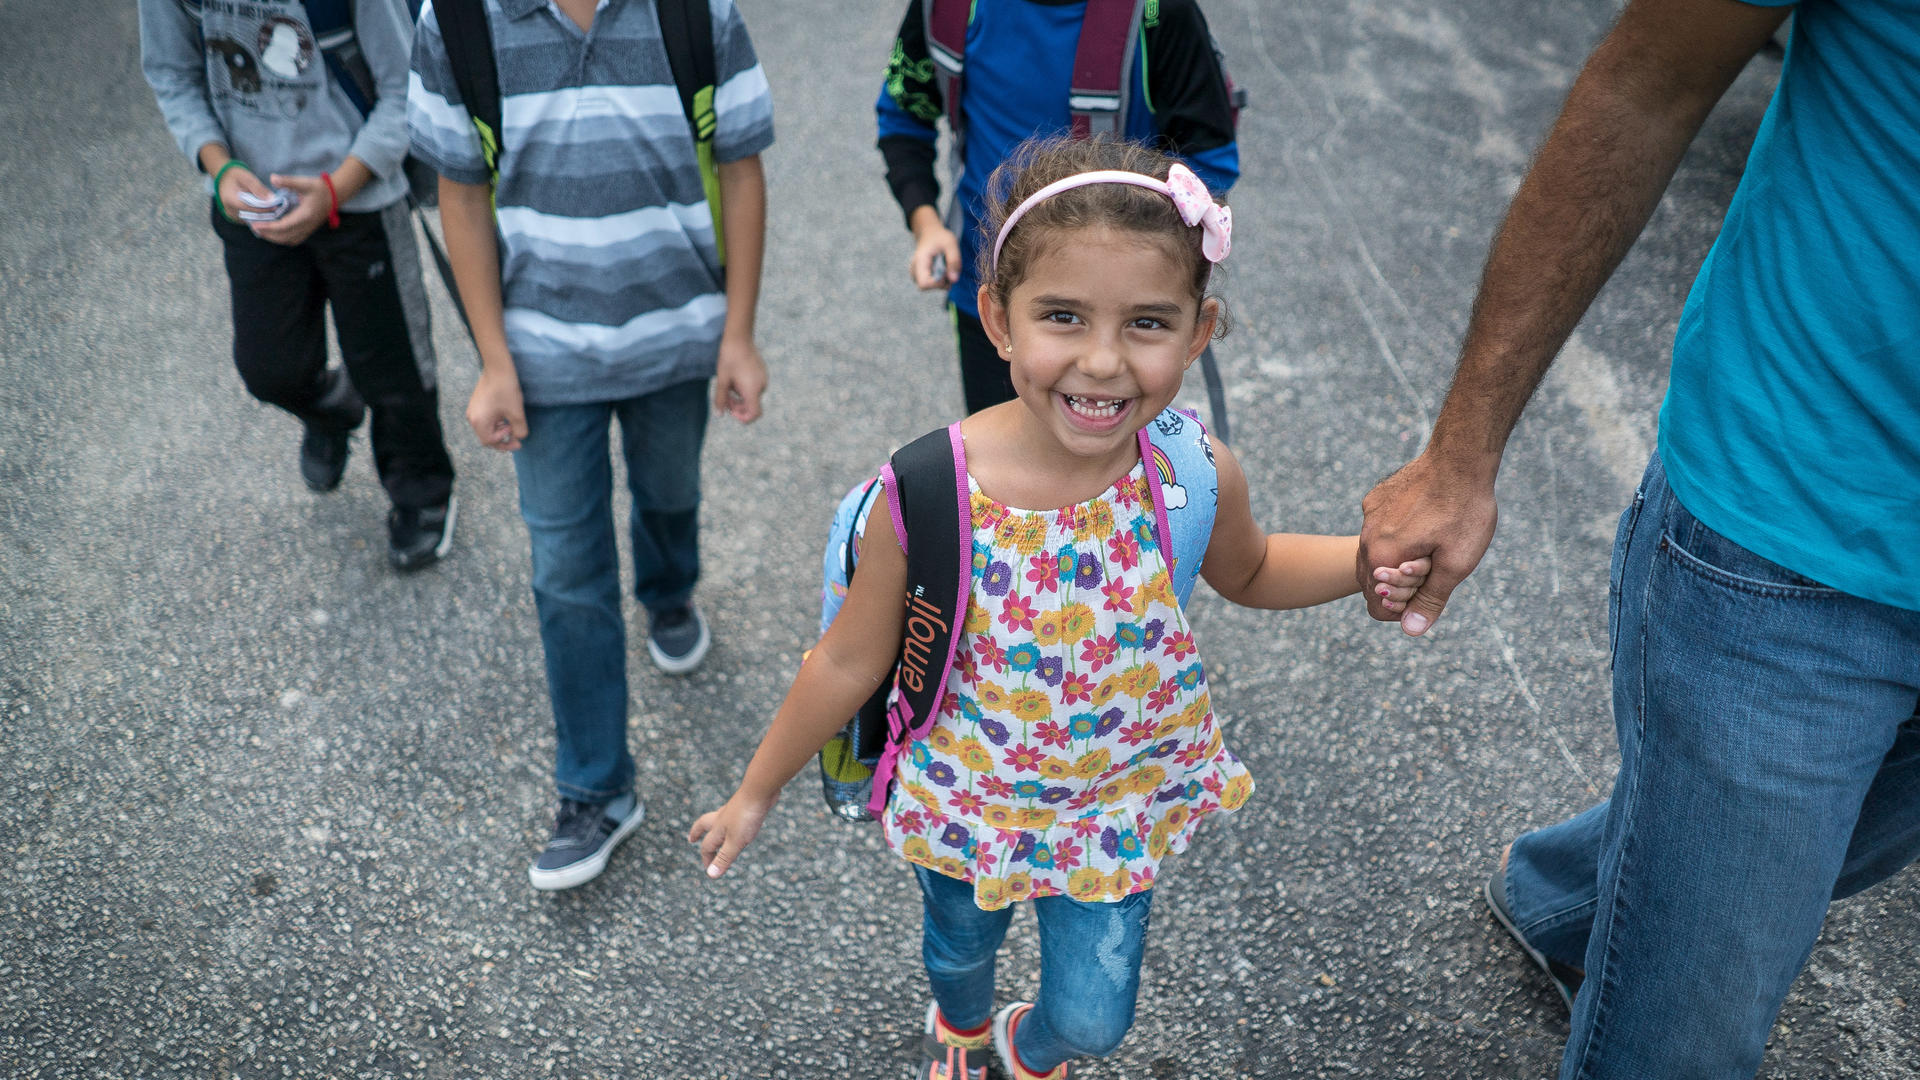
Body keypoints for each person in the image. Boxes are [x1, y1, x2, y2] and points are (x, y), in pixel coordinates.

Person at [692, 137, 1429, 1080]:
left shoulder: (1189, 470)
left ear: (1199, 333)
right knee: (959, 950)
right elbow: (847, 661)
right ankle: (960, 1030)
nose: (1103, 361)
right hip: (968, 801)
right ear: (997, 320)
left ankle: (1027, 1049)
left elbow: (1251, 569)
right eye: (1064, 316)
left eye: (1149, 324)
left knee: (1094, 1018)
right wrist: (757, 790)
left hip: (1109, 809)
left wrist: (1364, 565)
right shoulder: (925, 495)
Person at [1355, 0, 1919, 1076]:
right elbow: (1641, 83)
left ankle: (1575, 896)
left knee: (1814, 853)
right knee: (1686, 1035)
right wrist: (1461, 454)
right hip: (1796, 531)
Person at [408, 0, 773, 890]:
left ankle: (669, 589)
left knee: (669, 492)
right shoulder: (454, 23)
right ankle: (597, 790)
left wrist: (738, 334)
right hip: (542, 357)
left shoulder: (697, 13)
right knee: (566, 569)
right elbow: (458, 194)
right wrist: (492, 361)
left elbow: (741, 169)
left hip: (675, 339)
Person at [139, 0, 458, 569]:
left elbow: (405, 87)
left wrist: (337, 189)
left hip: (360, 199)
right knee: (270, 368)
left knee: (395, 370)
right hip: (253, 207)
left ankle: (423, 493)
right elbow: (172, 72)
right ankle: (332, 411)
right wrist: (220, 167)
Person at [877, 0, 1239, 415]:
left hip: (1123, 301)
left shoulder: (1160, 12)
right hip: (989, 278)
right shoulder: (948, 6)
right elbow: (904, 116)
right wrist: (927, 225)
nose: (1098, 365)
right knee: (1005, 450)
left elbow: (1209, 162)